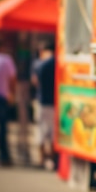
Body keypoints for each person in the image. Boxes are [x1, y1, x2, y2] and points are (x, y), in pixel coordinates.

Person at [32, 41, 56, 170]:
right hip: (55, 102)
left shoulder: (39, 64)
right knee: (53, 133)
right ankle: (52, 159)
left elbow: (35, 81)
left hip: (42, 101)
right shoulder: (57, 62)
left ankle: (42, 159)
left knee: (41, 132)